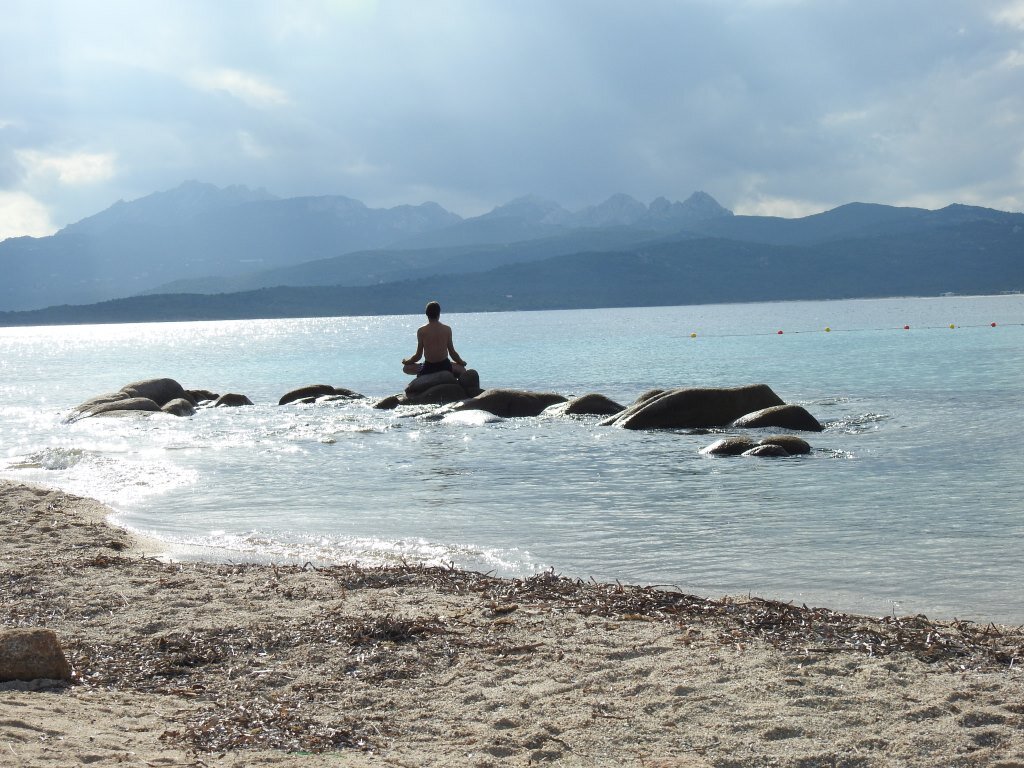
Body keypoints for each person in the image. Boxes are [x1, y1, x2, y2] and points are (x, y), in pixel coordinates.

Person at [402, 301, 467, 377]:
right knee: (462, 370)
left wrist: (407, 361)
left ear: (426, 314)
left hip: (429, 367)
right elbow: (452, 353)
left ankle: (423, 377)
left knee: (406, 368)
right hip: (445, 366)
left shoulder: (421, 331)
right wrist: (461, 362)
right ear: (439, 314)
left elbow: (418, 356)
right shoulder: (447, 329)